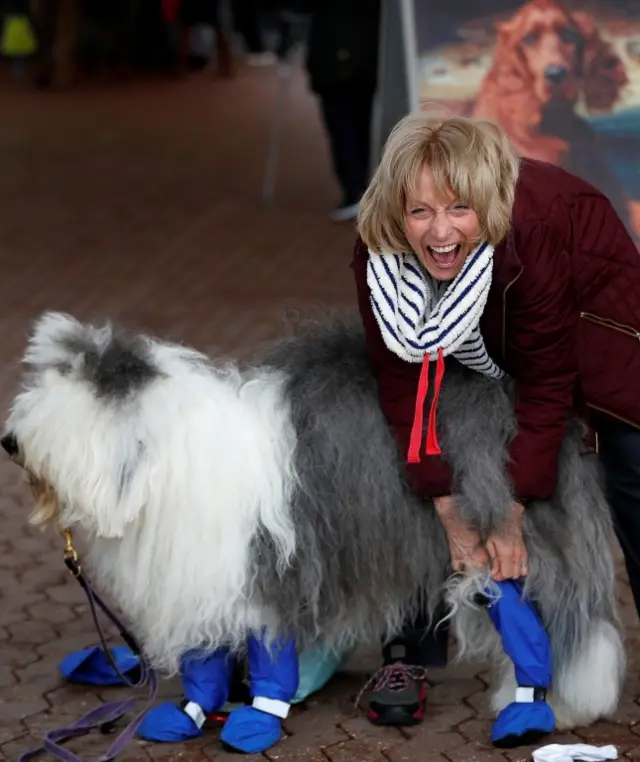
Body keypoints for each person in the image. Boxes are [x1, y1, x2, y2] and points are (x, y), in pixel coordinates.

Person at [351, 112, 640, 727]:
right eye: (419, 212)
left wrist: (510, 517)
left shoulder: (530, 230)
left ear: (485, 200)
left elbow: (546, 383)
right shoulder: (376, 253)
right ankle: (411, 650)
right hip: (477, 343)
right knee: (411, 470)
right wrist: (447, 504)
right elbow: (402, 381)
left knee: (632, 475)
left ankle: (576, 636)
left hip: (596, 330)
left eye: (458, 208)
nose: (439, 232)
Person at [304, 0, 380, 222]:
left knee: (344, 125)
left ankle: (355, 190)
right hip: (369, 52)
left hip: (335, 55)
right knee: (362, 122)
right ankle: (362, 187)